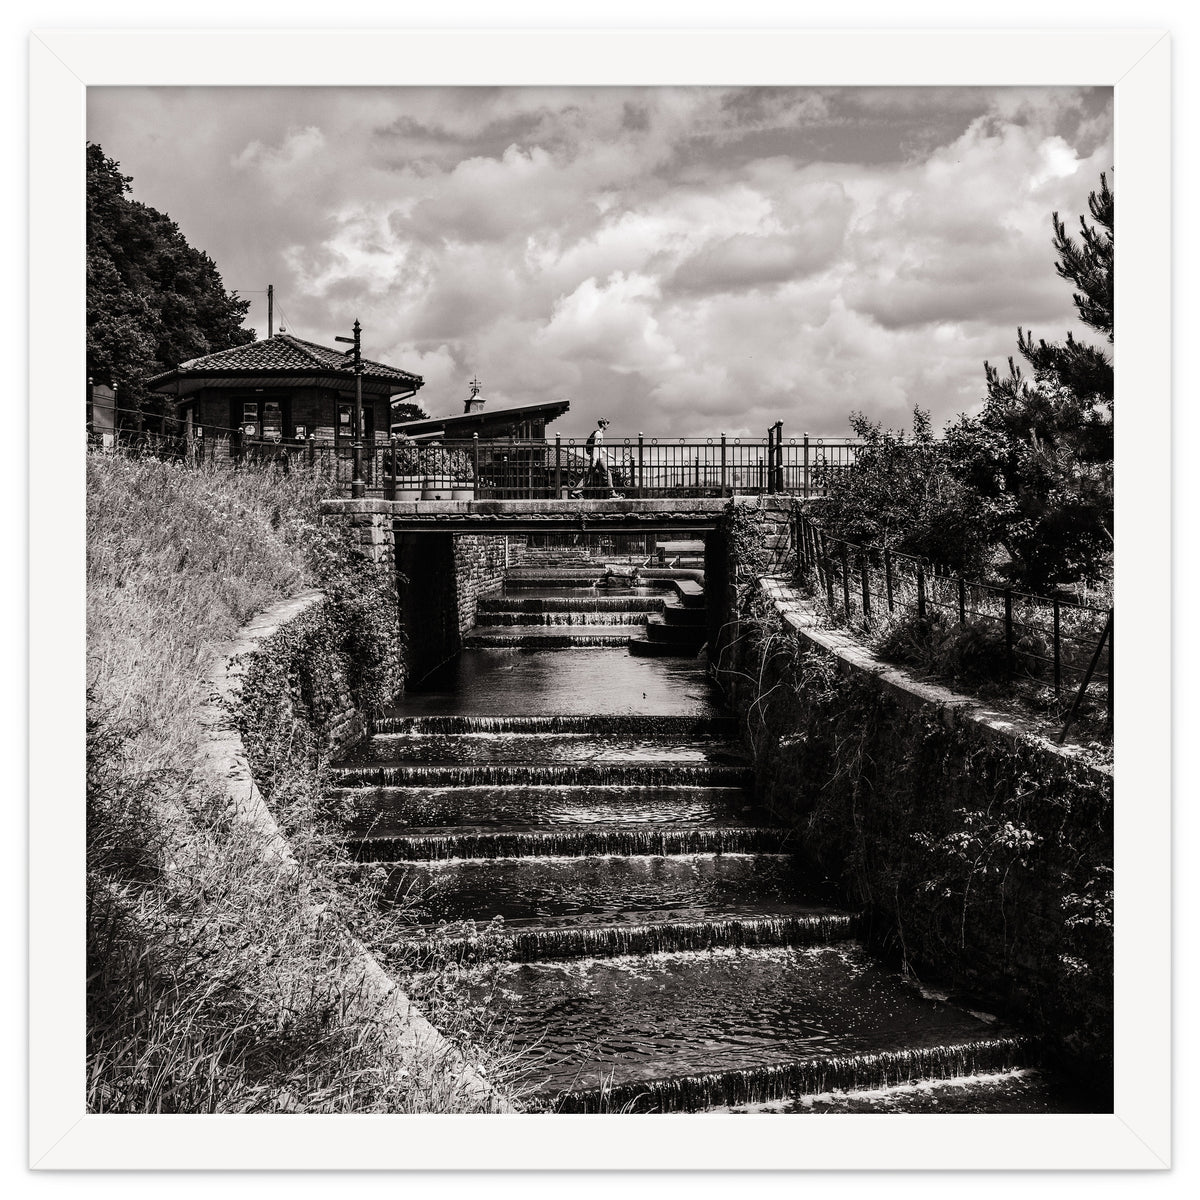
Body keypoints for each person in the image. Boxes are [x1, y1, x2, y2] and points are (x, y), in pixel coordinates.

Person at [569, 417, 622, 498]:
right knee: (607, 474)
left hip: (596, 458)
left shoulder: (599, 433)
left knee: (588, 476)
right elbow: (596, 447)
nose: (608, 425)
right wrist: (594, 460)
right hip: (598, 458)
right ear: (603, 424)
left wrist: (609, 455)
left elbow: (600, 447)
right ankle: (612, 493)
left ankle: (575, 492)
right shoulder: (598, 434)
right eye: (607, 424)